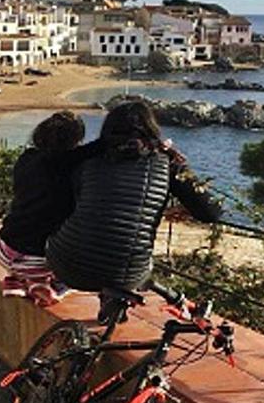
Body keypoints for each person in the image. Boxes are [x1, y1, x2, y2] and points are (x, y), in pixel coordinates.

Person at [46, 100, 222, 294]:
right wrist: (182, 207)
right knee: (138, 264)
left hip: (66, 267)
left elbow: (60, 171)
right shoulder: (168, 164)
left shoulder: (87, 160)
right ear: (152, 129)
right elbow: (211, 212)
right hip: (126, 277)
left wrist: (104, 143)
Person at [0, 111, 102, 306]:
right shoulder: (68, 166)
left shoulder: (26, 159)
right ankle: (49, 286)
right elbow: (98, 147)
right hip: (35, 262)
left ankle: (17, 279)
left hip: (2, 248)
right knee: (78, 266)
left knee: (32, 229)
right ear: (75, 142)